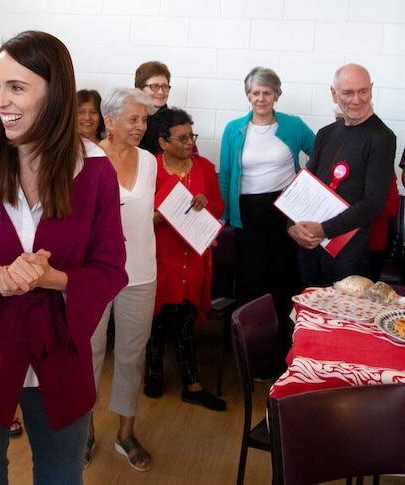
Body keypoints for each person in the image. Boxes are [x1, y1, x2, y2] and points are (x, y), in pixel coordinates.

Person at [0, 31, 128, 484]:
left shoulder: (93, 171)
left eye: (17, 87)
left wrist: (53, 278)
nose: (0, 101)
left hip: (59, 351)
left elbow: (111, 268)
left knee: (60, 473)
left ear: (54, 93)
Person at [219, 66, 315, 349]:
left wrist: (302, 188)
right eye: (255, 92)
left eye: (266, 92)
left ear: (277, 95)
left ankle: (283, 348)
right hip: (247, 213)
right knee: (251, 280)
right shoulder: (233, 129)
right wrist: (224, 216)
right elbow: (225, 174)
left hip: (283, 212)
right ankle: (251, 348)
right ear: (248, 95)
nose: (260, 98)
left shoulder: (293, 125)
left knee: (283, 278)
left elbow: (318, 154)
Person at [88, 88, 156, 471]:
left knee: (132, 356)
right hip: (96, 274)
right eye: (133, 119)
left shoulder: (149, 162)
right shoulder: (86, 158)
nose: (141, 127)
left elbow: (149, 215)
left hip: (142, 272)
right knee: (89, 354)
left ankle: (125, 433)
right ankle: (85, 431)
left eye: (144, 119)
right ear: (109, 120)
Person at [145, 108, 227, 412]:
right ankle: (154, 371)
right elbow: (135, 216)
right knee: (155, 320)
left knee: (184, 320)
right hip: (158, 255)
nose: (189, 142)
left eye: (191, 136)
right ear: (163, 142)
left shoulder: (204, 167)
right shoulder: (149, 167)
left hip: (190, 257)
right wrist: (161, 215)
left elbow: (219, 206)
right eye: (182, 138)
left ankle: (192, 384)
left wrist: (206, 204)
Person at [287, 64, 396, 288]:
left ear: (371, 90)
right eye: (348, 92)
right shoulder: (325, 134)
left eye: (363, 91)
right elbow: (304, 186)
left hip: (348, 252)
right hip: (310, 246)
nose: (357, 100)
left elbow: (372, 204)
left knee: (340, 320)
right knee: (309, 314)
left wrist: (323, 229)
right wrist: (291, 225)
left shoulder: (382, 138)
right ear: (334, 93)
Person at [135, 61, 173, 155]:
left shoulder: (175, 121)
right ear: (139, 89)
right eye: (154, 86)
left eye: (165, 87)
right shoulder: (127, 117)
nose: (161, 92)